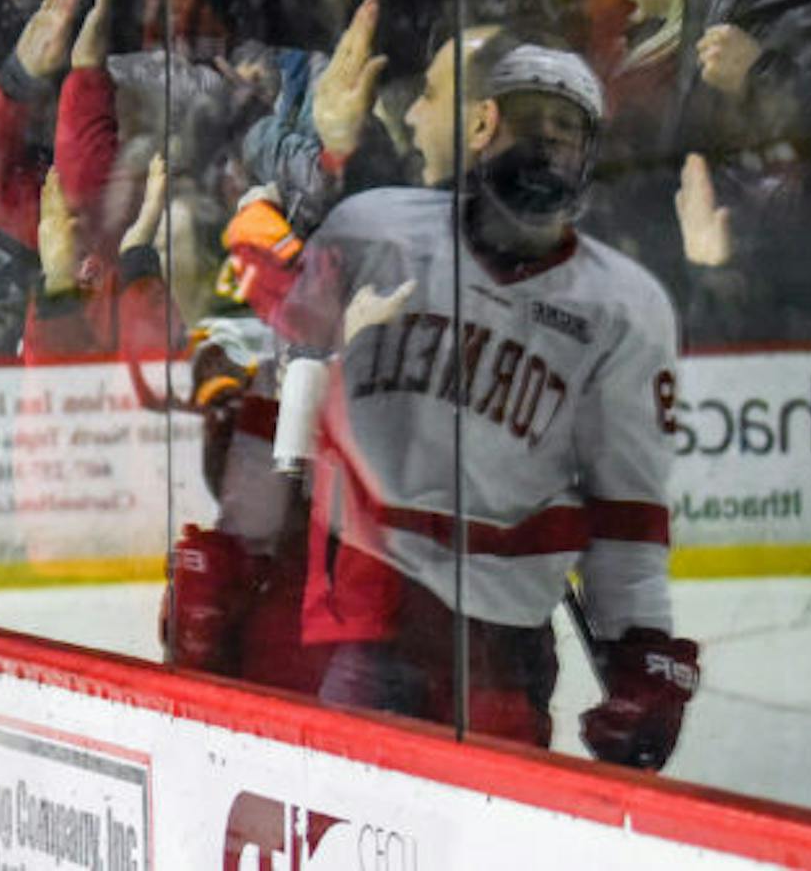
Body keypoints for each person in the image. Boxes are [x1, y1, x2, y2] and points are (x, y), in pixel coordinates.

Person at [256, 44, 700, 769]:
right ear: (484, 125)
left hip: (504, 642)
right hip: (369, 615)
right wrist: (253, 547)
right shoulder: (376, 229)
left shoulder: (625, 306)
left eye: (569, 128)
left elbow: (628, 514)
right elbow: (288, 380)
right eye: (533, 119)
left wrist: (642, 651)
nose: (550, 140)